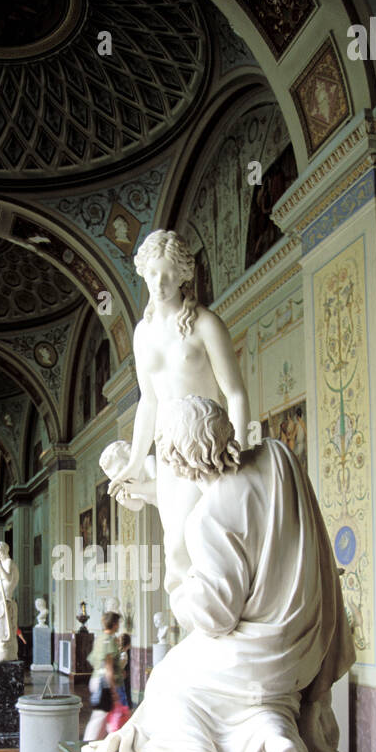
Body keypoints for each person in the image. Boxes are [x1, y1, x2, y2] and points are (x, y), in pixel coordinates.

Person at [89, 398, 374, 752]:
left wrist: (180, 590)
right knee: (254, 696)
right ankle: (276, 738)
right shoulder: (278, 457)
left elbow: (216, 617)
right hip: (312, 643)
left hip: (261, 653)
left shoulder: (210, 518)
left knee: (167, 685)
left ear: (178, 461)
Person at [104, 230, 251, 594]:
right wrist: (135, 462)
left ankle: (217, 620)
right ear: (143, 273)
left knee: (187, 543)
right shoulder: (142, 334)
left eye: (169, 273)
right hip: (167, 450)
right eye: (154, 273)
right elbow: (148, 402)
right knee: (176, 549)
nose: (160, 282)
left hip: (205, 446)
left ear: (185, 274)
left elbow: (234, 392)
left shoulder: (205, 324)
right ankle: (201, 632)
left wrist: (240, 449)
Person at [83, 611, 121, 742]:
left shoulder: (99, 638)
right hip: (103, 682)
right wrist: (113, 690)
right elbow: (108, 668)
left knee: (103, 717)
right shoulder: (109, 641)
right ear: (115, 624)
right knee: (99, 717)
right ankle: (88, 744)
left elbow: (94, 660)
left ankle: (98, 743)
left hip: (96, 679)